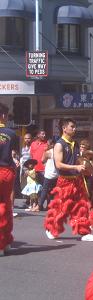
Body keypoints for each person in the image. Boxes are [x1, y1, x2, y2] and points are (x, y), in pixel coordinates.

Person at [44, 118, 93, 242]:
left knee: (82, 206)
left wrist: (85, 167)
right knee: (61, 208)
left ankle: (84, 232)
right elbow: (58, 164)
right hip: (64, 181)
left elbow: (78, 162)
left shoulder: (75, 144)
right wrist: (76, 167)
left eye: (75, 127)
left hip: (76, 181)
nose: (74, 129)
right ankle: (50, 228)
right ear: (64, 128)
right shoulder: (59, 144)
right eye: (72, 126)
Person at [0, 103, 18, 256]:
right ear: (4, 116)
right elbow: (14, 155)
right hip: (7, 171)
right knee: (6, 205)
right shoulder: (11, 133)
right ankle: (6, 242)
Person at [38, 138, 58, 211]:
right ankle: (49, 205)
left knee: (45, 190)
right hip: (56, 174)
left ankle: (40, 205)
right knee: (52, 191)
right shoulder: (58, 152)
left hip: (49, 174)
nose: (47, 145)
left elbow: (42, 160)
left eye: (48, 144)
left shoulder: (48, 152)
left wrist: (45, 151)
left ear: (52, 144)